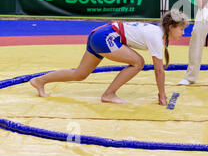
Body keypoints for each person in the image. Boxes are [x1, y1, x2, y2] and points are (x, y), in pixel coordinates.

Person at [30, 10, 188, 105]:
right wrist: (162, 95)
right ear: (171, 27)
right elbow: (159, 70)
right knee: (138, 62)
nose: (183, 33)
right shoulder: (156, 36)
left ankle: (39, 81)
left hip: (100, 34)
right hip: (106, 36)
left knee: (79, 74)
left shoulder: (156, 32)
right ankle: (108, 94)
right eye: (181, 29)